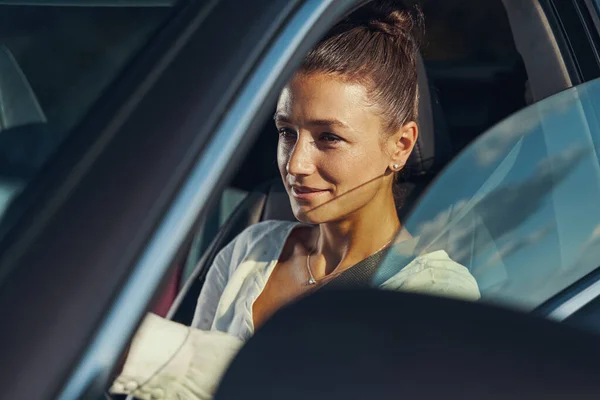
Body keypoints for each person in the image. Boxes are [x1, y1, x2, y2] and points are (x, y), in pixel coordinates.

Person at [110, 2, 480, 399]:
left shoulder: (438, 293)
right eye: (287, 133)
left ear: (401, 145)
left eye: (329, 137)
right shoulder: (251, 249)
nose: (296, 164)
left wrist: (148, 354)